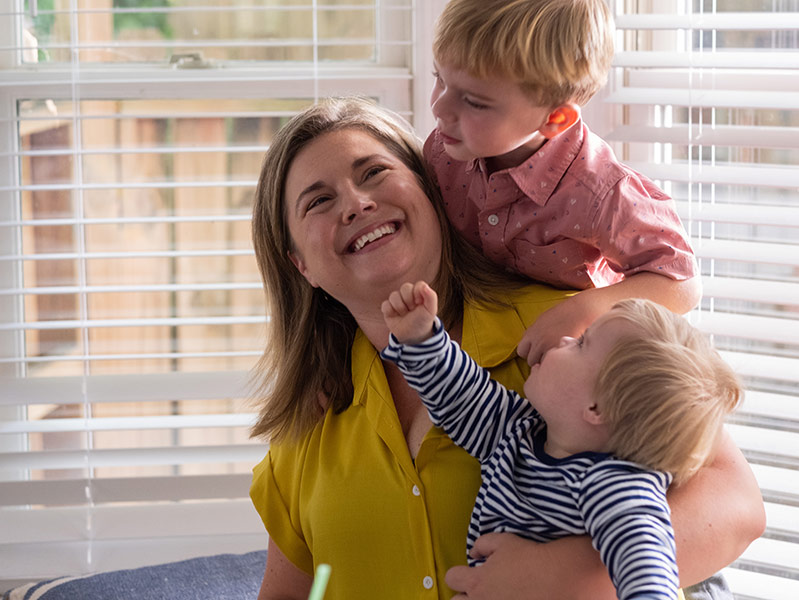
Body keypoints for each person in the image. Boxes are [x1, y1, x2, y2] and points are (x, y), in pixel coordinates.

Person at [248, 96, 765, 600]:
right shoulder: (307, 425)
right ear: (301, 265)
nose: (357, 204)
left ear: (431, 192)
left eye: (374, 173)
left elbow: (737, 506)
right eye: (318, 201)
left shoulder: (567, 333)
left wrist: (566, 578)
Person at [381, 281, 742, 600]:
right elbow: (464, 397)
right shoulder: (519, 433)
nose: (567, 338)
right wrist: (422, 340)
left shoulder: (617, 486)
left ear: (596, 406)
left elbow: (648, 573)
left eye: (582, 344)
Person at [426, 0, 702, 365]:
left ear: (554, 118)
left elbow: (682, 284)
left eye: (474, 102)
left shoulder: (600, 192)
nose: (439, 109)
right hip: (471, 351)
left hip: (559, 364)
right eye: (439, 79)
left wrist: (585, 309)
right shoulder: (443, 152)